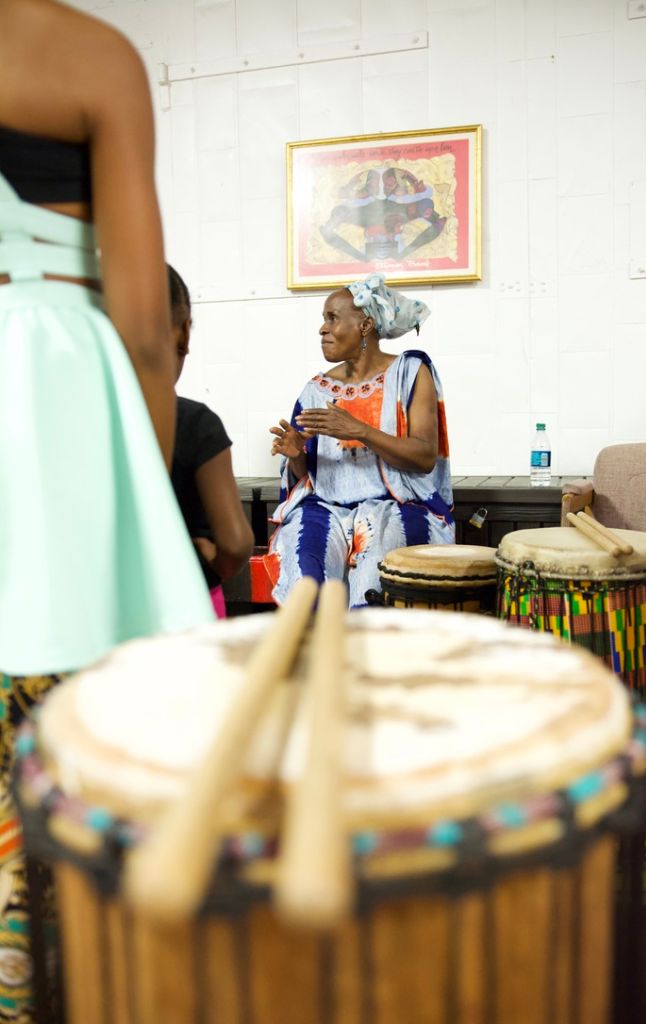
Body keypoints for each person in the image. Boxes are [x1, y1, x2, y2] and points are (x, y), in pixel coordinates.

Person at [0, 3, 213, 1018]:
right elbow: (142, 327)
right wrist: (147, 514)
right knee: (85, 744)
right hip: (55, 421)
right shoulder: (88, 55)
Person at [268, 273, 454, 608]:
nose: (322, 329)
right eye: (323, 320)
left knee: (376, 571)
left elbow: (425, 456)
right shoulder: (315, 389)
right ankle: (315, 653)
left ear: (365, 325)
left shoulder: (410, 372)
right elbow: (306, 477)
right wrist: (296, 456)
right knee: (303, 565)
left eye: (332, 318)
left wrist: (359, 430)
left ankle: (368, 654)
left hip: (395, 506)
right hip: (325, 508)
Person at [168, 265, 254, 617]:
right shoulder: (194, 422)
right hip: (186, 603)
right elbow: (235, 543)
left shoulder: (72, 416)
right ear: (184, 332)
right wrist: (207, 562)